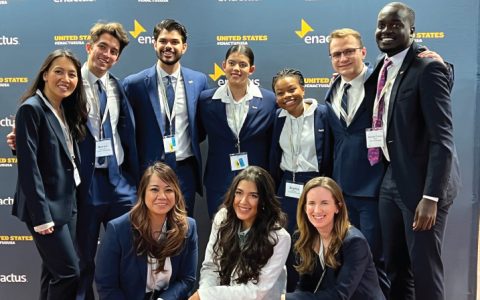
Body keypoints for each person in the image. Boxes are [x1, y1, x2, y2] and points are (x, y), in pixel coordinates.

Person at [5, 23, 140, 300]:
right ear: (89, 46)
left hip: (118, 185)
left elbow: (123, 133)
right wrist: (19, 143)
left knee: (129, 257)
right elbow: (40, 130)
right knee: (77, 264)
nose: (107, 54)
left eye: (113, 51)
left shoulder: (117, 86)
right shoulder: (68, 86)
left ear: (118, 57)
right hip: (82, 188)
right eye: (102, 46)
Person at [373, 2, 460, 299]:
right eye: (381, 25)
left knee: (424, 270)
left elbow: (443, 139)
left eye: (395, 25)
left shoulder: (428, 66)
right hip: (391, 177)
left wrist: (430, 197)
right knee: (395, 267)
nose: (386, 31)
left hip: (423, 186)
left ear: (412, 31)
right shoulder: (383, 68)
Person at [12, 49, 88, 300]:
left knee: (52, 272)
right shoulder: (31, 109)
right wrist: (41, 216)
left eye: (72, 74)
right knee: (68, 274)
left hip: (68, 201)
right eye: (58, 71)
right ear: (45, 74)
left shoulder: (64, 109)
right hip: (45, 207)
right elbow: (29, 167)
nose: (66, 78)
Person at [123, 19, 209, 216]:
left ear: (184, 47)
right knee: (150, 229)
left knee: (183, 227)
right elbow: (128, 133)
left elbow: (201, 129)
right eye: (163, 41)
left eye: (174, 41)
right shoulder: (134, 84)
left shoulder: (199, 81)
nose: (168, 46)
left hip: (184, 169)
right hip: (150, 170)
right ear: (154, 44)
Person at [95, 162, 198, 300]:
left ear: (176, 194)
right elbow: (106, 286)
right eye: (154, 189)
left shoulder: (188, 227)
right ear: (143, 193)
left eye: (168, 190)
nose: (162, 196)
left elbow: (187, 279)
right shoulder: (118, 229)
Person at [270, 68, 331, 291]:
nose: (287, 96)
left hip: (314, 185)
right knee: (288, 240)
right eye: (280, 92)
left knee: (314, 240)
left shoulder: (323, 114)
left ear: (303, 89)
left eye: (292, 89)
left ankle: (314, 291)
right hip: (287, 186)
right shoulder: (277, 118)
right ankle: (292, 292)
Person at [198, 45, 276, 218]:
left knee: (256, 235)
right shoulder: (206, 100)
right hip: (219, 181)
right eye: (232, 63)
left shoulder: (269, 100)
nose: (236, 69)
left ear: (251, 69)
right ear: (224, 65)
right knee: (222, 232)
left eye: (242, 64)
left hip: (257, 183)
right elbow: (197, 134)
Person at [189, 166, 290, 300]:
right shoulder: (223, 218)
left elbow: (256, 292)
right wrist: (206, 294)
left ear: (264, 200)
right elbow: (211, 266)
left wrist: (205, 295)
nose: (243, 201)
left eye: (253, 195)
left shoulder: (279, 238)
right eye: (239, 193)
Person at [285, 177, 384, 300]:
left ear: (338, 207)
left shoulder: (354, 242)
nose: (317, 210)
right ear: (304, 208)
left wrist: (283, 298)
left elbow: (339, 296)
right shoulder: (302, 237)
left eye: (324, 203)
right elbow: (305, 287)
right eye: (311, 203)